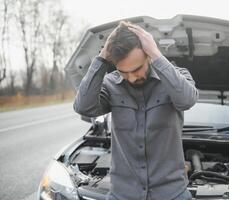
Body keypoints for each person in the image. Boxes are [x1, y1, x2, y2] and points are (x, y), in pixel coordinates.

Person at [73, 21, 198, 200]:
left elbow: (187, 100)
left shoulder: (178, 77)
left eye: (137, 69)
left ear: (148, 55)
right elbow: (83, 107)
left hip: (172, 194)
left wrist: (156, 52)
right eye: (124, 71)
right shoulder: (109, 84)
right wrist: (102, 57)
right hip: (122, 194)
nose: (131, 77)